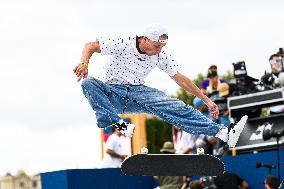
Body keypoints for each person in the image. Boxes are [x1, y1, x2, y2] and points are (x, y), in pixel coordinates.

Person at [73, 24, 248, 148]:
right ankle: (119, 125)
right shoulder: (124, 42)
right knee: (89, 83)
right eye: (156, 46)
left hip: (139, 92)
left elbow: (181, 79)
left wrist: (206, 100)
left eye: (161, 47)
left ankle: (224, 133)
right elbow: (90, 46)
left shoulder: (161, 55)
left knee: (178, 108)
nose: (158, 51)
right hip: (113, 92)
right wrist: (84, 63)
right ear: (145, 39)